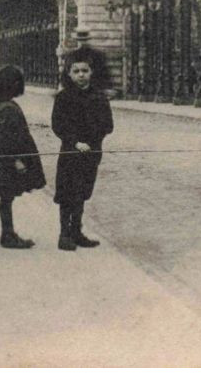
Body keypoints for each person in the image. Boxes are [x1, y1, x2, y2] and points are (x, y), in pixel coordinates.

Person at [52, 46, 114, 252]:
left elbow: (108, 125)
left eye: (85, 71)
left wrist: (93, 141)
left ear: (91, 73)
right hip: (70, 152)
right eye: (76, 71)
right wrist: (75, 142)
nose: (81, 75)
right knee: (67, 193)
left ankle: (77, 232)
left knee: (82, 193)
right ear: (69, 74)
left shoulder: (99, 97)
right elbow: (58, 125)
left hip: (91, 153)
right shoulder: (63, 98)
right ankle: (64, 234)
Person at [0, 65, 48, 249]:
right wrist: (16, 160)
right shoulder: (7, 108)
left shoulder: (4, 104)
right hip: (8, 158)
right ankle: (7, 234)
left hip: (6, 156)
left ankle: (8, 233)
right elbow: (6, 137)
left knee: (7, 196)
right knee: (7, 196)